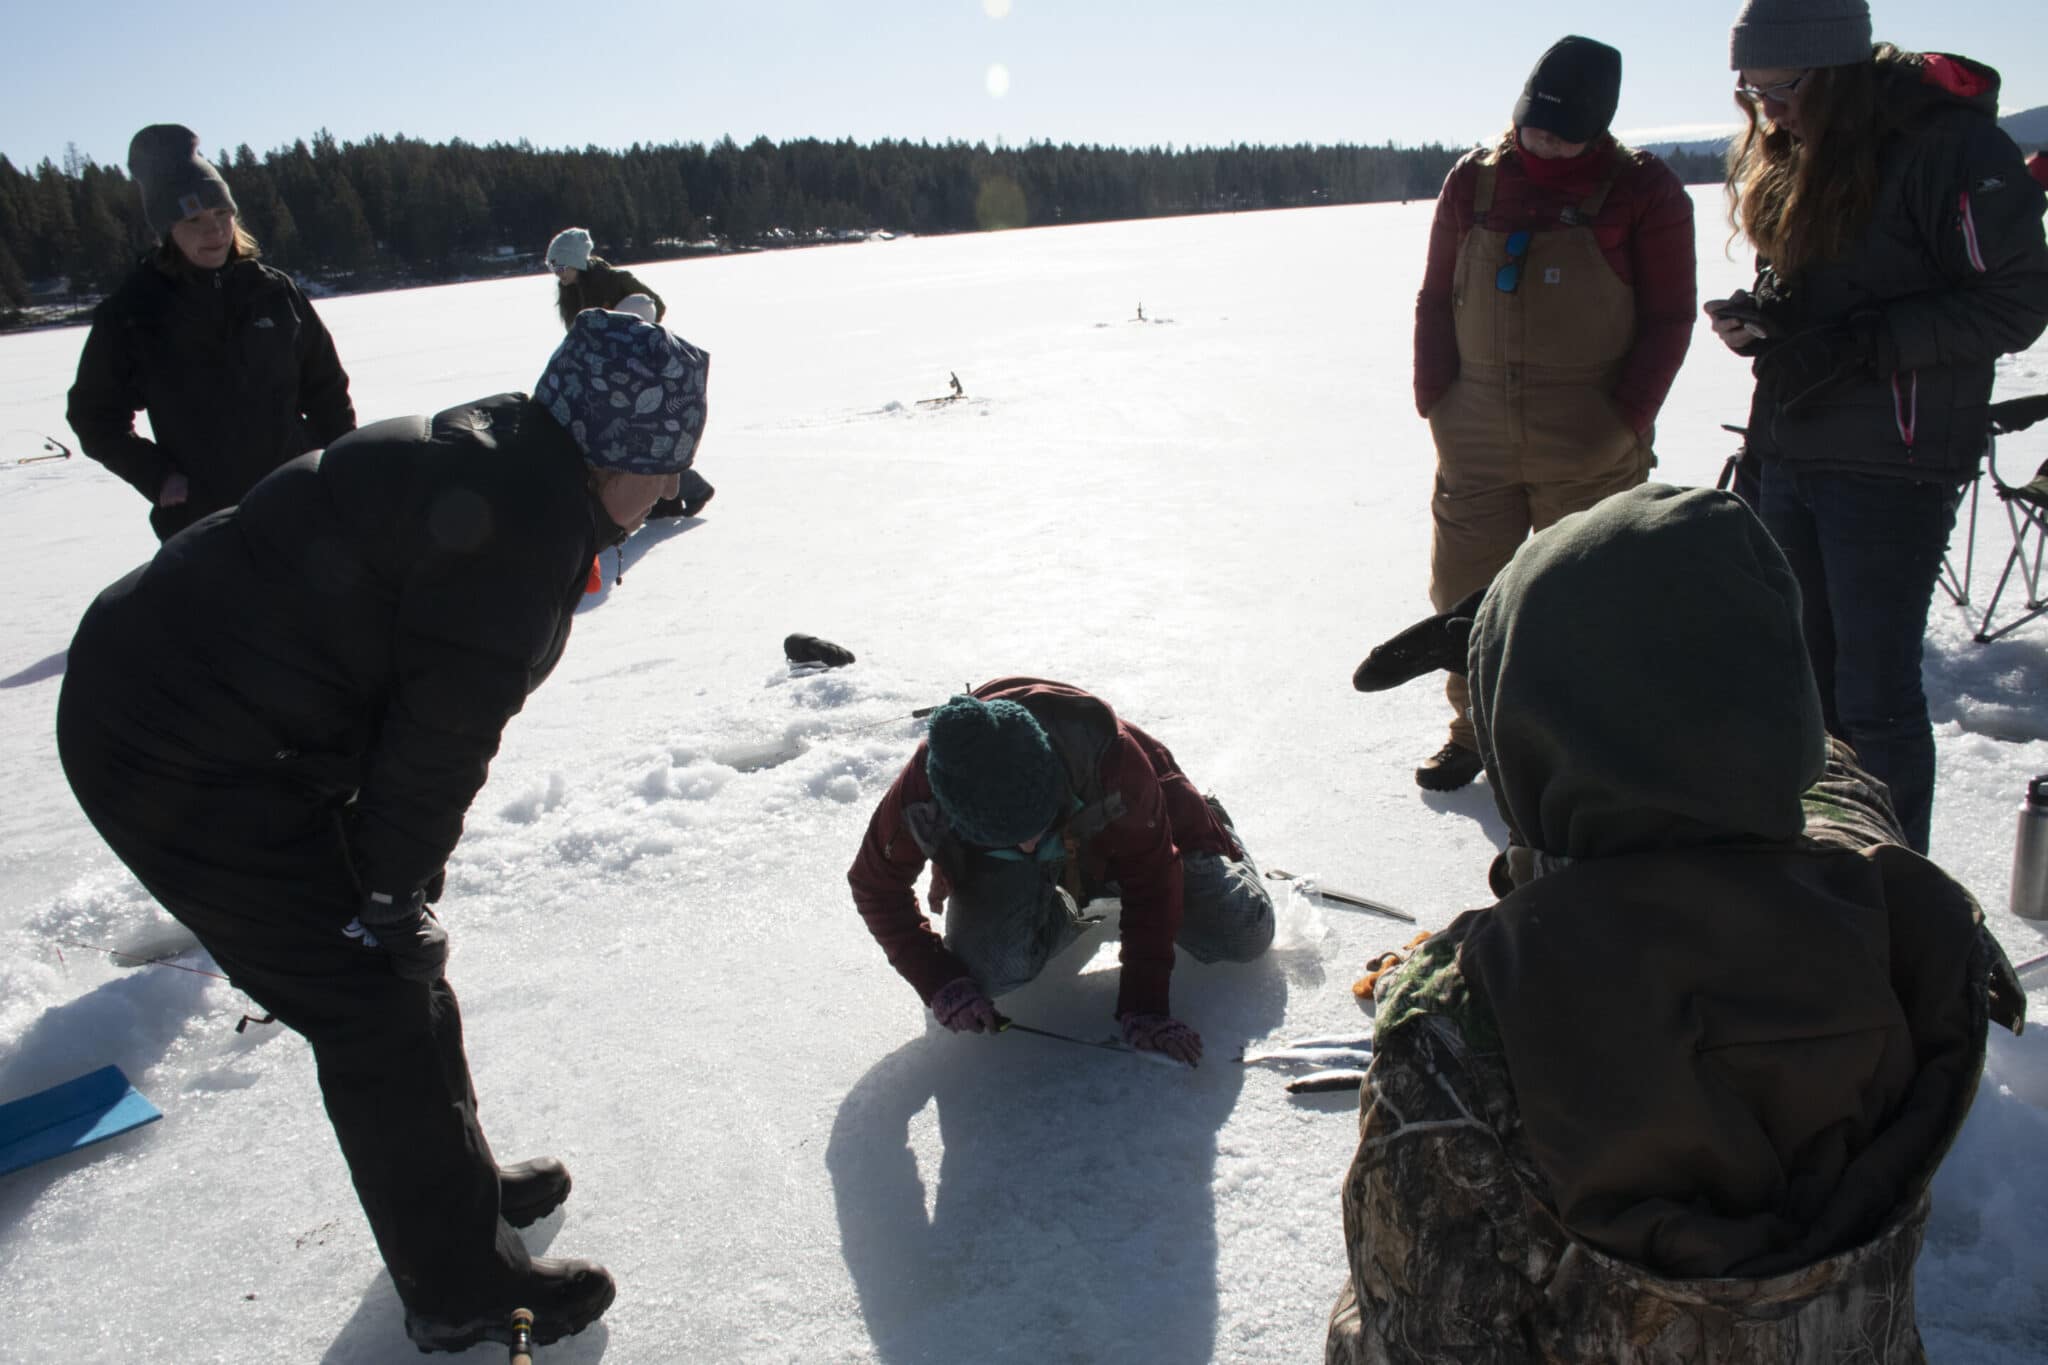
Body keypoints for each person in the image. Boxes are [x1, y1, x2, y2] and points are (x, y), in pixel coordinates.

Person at [56, 308, 710, 1353]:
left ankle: (454, 1190)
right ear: (615, 452)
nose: (672, 487)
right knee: (370, 999)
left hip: (207, 701)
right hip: (174, 748)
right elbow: (437, 743)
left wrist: (394, 891)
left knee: (397, 966)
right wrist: (391, 889)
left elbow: (408, 703)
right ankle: (459, 1287)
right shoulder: (519, 534)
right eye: (667, 462)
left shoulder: (518, 456)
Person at [1331, 484, 2024, 1364]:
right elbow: (1826, 794)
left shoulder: (1459, 1034)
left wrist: (1532, 669)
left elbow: (1409, 1337)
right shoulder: (1908, 934)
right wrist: (1684, 664)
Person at [1703, 0, 2048, 854]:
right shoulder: (1799, 145)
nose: (1767, 110)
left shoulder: (1949, 146)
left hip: (1894, 461)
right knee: (1805, 691)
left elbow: (2016, 300)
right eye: (1751, 92)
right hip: (1791, 444)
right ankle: (1823, 873)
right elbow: (1821, 285)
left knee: (1874, 698)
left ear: (1835, 70)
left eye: (1780, 88)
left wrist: (1864, 344)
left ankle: (1892, 889)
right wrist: (1773, 320)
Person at [1408, 36, 1696, 792]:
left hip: (1589, 438)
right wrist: (1437, 399)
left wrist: (1624, 419)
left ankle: (1586, 745)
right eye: (1537, 127)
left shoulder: (1645, 190)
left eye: (1567, 135)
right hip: (1475, 432)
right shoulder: (1474, 180)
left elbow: (1669, 319)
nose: (1547, 144)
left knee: (1588, 602)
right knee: (1464, 595)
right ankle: (1476, 731)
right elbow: (1435, 297)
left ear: (1600, 128)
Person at [847, 679, 1275, 1064]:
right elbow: (874, 886)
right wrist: (939, 980)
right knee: (985, 970)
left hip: (1137, 835)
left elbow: (1153, 877)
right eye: (1008, 838)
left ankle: (1215, 832)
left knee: (1244, 935)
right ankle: (1080, 903)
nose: (1028, 846)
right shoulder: (923, 793)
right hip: (1039, 867)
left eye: (1034, 828)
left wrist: (1144, 1005)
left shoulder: (1112, 758)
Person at [67, 124, 356, 541]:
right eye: (195, 219)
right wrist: (157, 476)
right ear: (167, 228)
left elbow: (327, 389)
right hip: (206, 525)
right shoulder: (134, 313)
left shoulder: (273, 292)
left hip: (299, 504)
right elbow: (93, 415)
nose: (215, 231)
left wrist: (338, 468)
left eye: (222, 214)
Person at [546, 227, 713, 518]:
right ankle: (666, 500)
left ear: (576, 261)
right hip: (599, 372)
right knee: (624, 441)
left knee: (636, 438)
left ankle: (690, 489)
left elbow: (654, 305)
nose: (556, 273)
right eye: (552, 267)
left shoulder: (612, 280)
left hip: (634, 367)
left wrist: (626, 327)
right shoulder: (570, 291)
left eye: (560, 266)